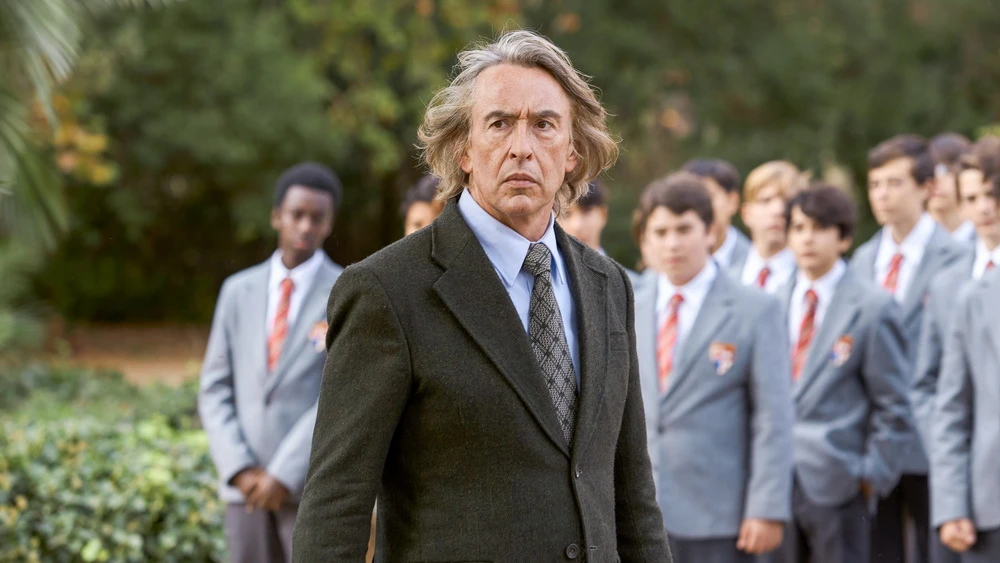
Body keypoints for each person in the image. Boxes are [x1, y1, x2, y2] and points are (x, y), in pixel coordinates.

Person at [292, 30, 670, 561]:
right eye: (499, 123)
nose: (522, 147)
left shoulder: (608, 285)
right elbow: (336, 505)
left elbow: (633, 497)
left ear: (572, 150)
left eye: (544, 125)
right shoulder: (386, 290)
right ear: (464, 148)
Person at [632, 172, 793, 562]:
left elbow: (773, 417)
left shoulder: (756, 309)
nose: (672, 243)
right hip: (641, 511)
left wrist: (766, 507)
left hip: (720, 513)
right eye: (661, 232)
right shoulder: (627, 302)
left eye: (684, 229)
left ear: (710, 232)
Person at [198, 162, 345, 563]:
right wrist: (239, 468)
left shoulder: (348, 292)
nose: (306, 226)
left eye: (317, 218)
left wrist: (284, 472)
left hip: (306, 486)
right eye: (297, 214)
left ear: (330, 224)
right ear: (277, 216)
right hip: (243, 489)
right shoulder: (237, 291)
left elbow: (339, 394)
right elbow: (214, 387)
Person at [762, 184, 915, 563]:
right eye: (798, 228)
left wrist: (870, 476)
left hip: (840, 482)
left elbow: (894, 404)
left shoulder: (873, 307)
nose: (807, 238)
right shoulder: (770, 303)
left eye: (819, 228)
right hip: (775, 484)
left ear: (844, 237)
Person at [849, 134, 969, 563]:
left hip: (931, 436)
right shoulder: (861, 262)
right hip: (874, 440)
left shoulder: (959, 258)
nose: (882, 194)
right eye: (875, 184)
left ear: (927, 187)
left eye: (894, 183)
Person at [925, 175, 1000, 563]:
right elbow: (950, 407)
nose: (986, 207)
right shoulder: (972, 296)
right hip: (991, 500)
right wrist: (951, 503)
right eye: (973, 198)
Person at [732, 160, 808, 292]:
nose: (778, 210)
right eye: (766, 200)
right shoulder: (726, 277)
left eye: (788, 202)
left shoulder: (810, 281)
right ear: (746, 214)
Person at [682, 158, 752, 269]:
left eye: (708, 197)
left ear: (732, 201)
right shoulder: (664, 267)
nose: (699, 207)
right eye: (691, 199)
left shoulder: (755, 264)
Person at [928, 133, 975, 242]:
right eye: (931, 170)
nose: (937, 179)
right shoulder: (909, 240)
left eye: (946, 170)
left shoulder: (985, 239)